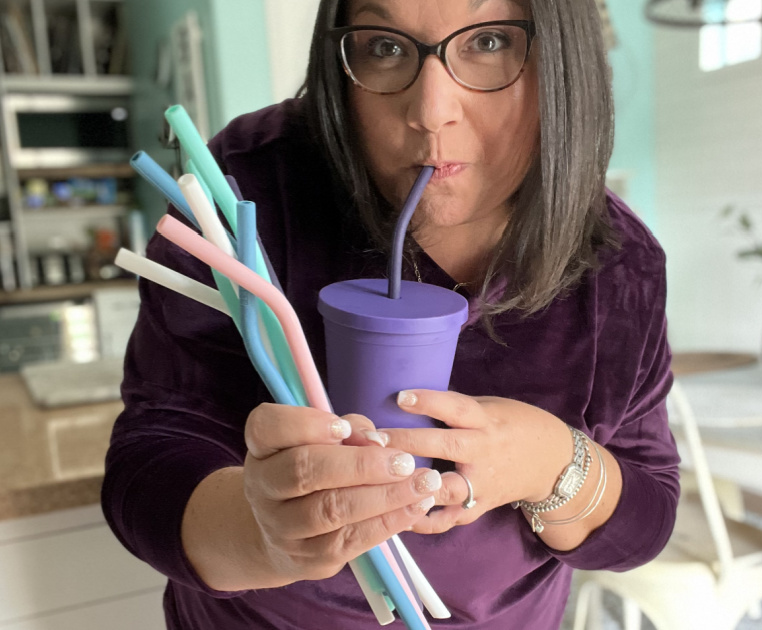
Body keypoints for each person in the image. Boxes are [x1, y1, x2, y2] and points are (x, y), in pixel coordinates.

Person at [101, 0, 680, 627]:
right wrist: (263, 535)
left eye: (489, 43)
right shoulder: (243, 193)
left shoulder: (618, 264)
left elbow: (645, 519)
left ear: (565, 59)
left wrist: (553, 464)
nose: (431, 112)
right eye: (385, 46)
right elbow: (147, 464)